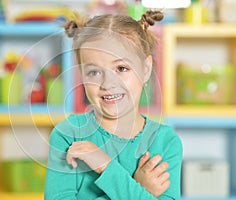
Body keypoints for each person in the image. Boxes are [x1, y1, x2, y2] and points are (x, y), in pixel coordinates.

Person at [44, 10, 183, 199]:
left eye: (121, 68)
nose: (108, 84)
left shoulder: (166, 142)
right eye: (94, 72)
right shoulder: (68, 136)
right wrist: (139, 189)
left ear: (146, 69)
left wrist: (106, 166)